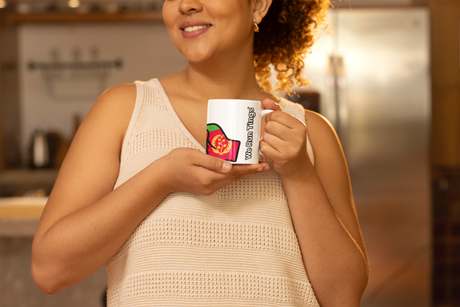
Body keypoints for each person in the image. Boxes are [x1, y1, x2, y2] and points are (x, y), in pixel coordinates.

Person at [31, 0, 369, 306]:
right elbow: (49, 270)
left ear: (259, 6)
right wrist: (161, 178)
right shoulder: (122, 110)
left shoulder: (312, 134)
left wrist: (298, 172)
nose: (186, 5)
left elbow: (343, 296)